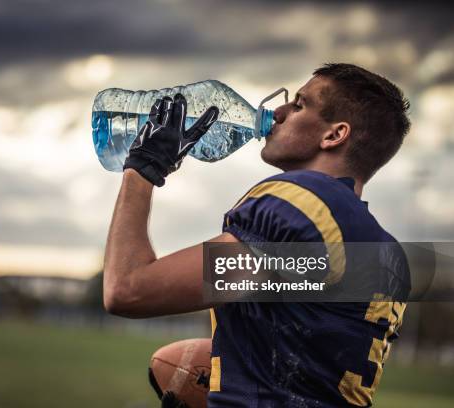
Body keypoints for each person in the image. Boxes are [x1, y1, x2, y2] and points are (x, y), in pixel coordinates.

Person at [102, 63, 411, 407]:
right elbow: (305, 367)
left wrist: (143, 169)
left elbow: (127, 289)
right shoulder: (387, 253)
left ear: (334, 135)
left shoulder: (301, 203)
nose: (277, 112)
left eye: (298, 105)